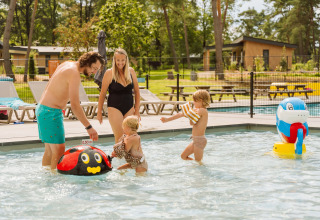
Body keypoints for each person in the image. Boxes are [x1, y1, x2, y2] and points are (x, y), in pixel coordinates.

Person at [36, 52, 105, 169]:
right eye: (94, 68)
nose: (94, 72)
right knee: (58, 152)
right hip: (51, 112)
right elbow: (75, 105)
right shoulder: (74, 74)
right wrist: (89, 127)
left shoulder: (67, 64)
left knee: (49, 151)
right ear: (87, 62)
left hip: (43, 109)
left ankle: (47, 178)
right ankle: (54, 182)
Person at [97, 48, 140, 143]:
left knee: (130, 137)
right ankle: (118, 158)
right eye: (118, 60)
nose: (120, 62)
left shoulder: (131, 72)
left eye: (123, 60)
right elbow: (103, 93)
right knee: (120, 138)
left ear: (126, 60)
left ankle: (129, 158)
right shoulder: (109, 73)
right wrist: (99, 111)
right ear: (114, 60)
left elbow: (137, 91)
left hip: (129, 107)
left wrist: (137, 110)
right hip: (114, 108)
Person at [160, 90, 210, 162]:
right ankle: (193, 168)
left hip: (200, 140)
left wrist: (188, 114)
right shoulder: (197, 110)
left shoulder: (202, 111)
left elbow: (192, 122)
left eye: (195, 101)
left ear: (200, 100)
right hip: (195, 140)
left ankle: (199, 171)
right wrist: (167, 119)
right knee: (183, 156)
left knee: (198, 161)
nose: (193, 102)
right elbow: (181, 114)